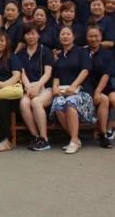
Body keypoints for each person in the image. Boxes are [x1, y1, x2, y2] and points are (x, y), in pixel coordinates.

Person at [50, 26, 96, 154]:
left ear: (73, 37)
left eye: (68, 34)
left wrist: (74, 86)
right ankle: (75, 138)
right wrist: (55, 87)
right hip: (64, 91)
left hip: (81, 91)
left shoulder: (82, 51)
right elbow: (56, 76)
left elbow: (85, 70)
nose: (65, 36)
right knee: (58, 105)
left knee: (71, 103)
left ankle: (74, 141)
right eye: (62, 34)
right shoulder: (59, 56)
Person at [87, 26, 115, 148]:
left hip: (104, 85)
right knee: (104, 100)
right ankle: (103, 135)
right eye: (90, 36)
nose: (93, 39)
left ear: (101, 37)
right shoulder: (83, 52)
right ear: (86, 37)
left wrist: (98, 91)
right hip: (89, 87)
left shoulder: (107, 54)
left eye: (96, 36)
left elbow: (106, 74)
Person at [17, 24, 54, 151]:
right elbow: (22, 74)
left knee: (36, 102)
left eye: (33, 33)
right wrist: (28, 87)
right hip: (28, 87)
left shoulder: (46, 51)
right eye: (28, 34)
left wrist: (37, 86)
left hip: (45, 87)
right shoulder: (20, 54)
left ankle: (44, 139)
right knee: (24, 103)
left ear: (38, 35)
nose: (31, 37)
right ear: (24, 36)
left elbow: (48, 73)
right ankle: (35, 136)